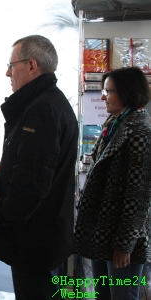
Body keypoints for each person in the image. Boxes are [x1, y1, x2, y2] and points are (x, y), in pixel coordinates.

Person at [0, 35, 78, 300]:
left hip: (34, 240)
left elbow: (30, 183)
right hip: (43, 236)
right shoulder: (47, 103)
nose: (7, 72)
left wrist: (1, 215)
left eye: (12, 65)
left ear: (32, 65)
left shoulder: (42, 109)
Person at [74, 67, 151, 300]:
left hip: (121, 240)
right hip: (103, 233)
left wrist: (125, 244)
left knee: (122, 296)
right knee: (103, 295)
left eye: (108, 91)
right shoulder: (114, 124)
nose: (103, 96)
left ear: (127, 92)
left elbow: (138, 195)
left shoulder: (140, 132)